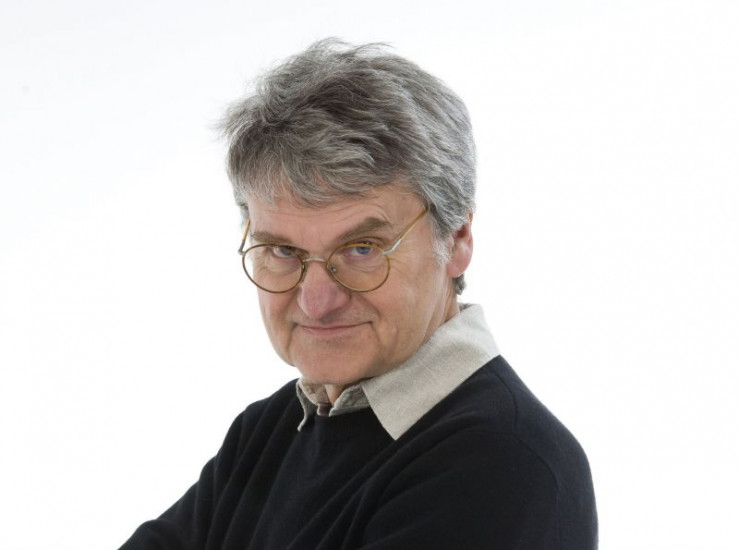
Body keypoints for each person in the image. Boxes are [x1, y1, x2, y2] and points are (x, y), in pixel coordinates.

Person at [119, 39, 597, 550]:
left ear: (456, 240)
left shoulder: (503, 466)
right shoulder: (270, 431)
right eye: (282, 250)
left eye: (362, 249)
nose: (316, 301)